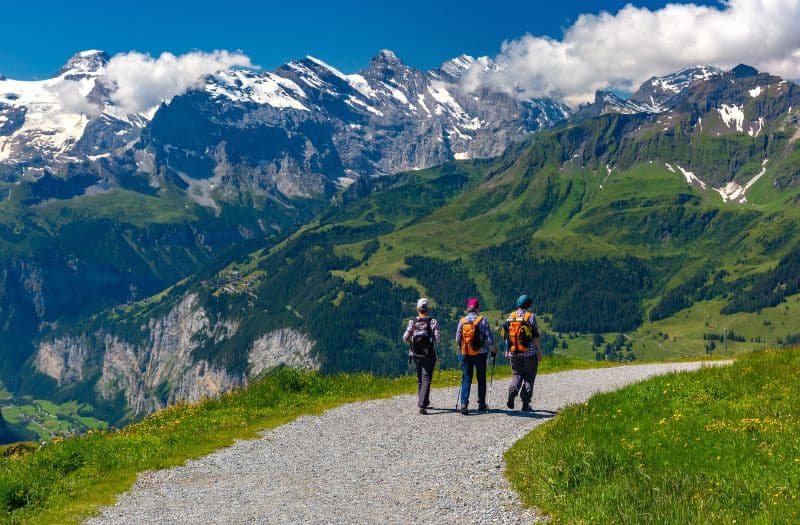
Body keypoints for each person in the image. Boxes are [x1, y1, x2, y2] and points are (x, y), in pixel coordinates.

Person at [455, 298, 497, 415]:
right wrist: (493, 348)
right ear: (478, 309)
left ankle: (464, 404)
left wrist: (461, 347)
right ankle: (481, 404)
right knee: (481, 378)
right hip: (480, 353)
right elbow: (489, 338)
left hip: (466, 353)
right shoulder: (482, 320)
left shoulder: (462, 321)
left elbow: (457, 339)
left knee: (467, 378)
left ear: (468, 308)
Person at [501, 294, 542, 412]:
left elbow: (508, 336)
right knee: (529, 375)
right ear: (528, 305)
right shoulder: (531, 316)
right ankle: (525, 403)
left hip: (513, 352)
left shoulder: (511, 316)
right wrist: (539, 351)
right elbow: (535, 336)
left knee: (517, 374)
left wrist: (506, 350)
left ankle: (512, 392)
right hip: (529, 353)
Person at [402, 298, 441, 414]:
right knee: (426, 378)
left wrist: (412, 343)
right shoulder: (432, 322)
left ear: (417, 309)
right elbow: (438, 338)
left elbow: (405, 337)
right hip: (428, 353)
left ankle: (423, 400)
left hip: (415, 353)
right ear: (428, 309)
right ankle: (423, 404)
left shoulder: (412, 322)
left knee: (420, 377)